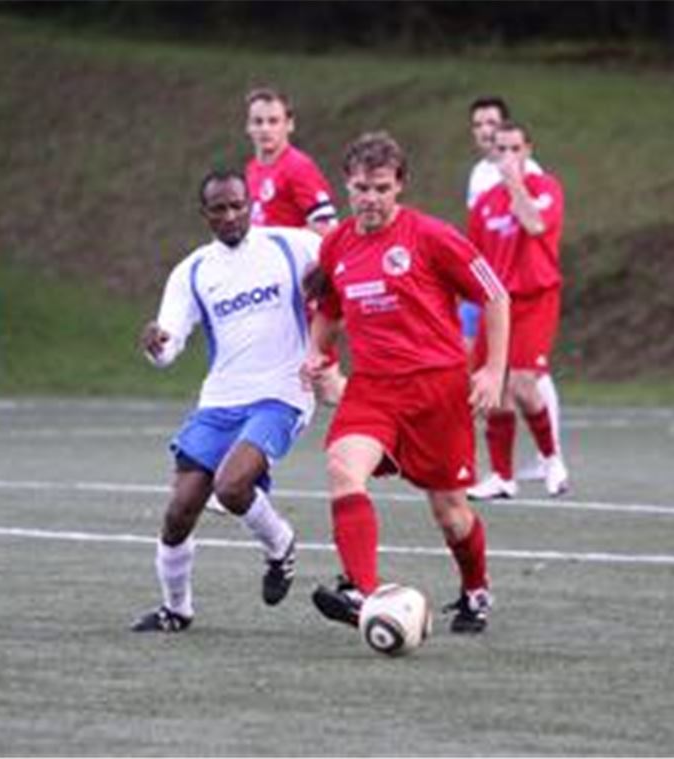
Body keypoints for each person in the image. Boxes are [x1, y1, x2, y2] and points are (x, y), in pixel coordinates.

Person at [301, 131, 510, 634]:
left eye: (380, 188)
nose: (369, 198)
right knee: (342, 467)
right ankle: (364, 593)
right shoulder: (337, 245)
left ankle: (476, 590)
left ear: (399, 187)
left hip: (436, 390)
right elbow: (329, 311)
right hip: (373, 388)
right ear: (346, 187)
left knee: (450, 513)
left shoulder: (432, 236)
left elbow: (496, 295)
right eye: (360, 188)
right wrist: (316, 353)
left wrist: (492, 369)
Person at [131, 168, 322, 633]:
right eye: (220, 208)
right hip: (221, 400)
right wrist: (158, 344)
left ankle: (280, 545)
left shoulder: (291, 245)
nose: (232, 215)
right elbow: (170, 342)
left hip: (281, 393)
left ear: (251, 203)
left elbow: (342, 257)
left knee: (232, 486)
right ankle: (177, 610)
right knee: (179, 512)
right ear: (206, 215)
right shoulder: (192, 271)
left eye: (239, 205)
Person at [466, 120, 570, 499]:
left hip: (535, 297)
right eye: (500, 149)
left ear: (528, 150)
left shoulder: (546, 188)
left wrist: (514, 183)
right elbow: (473, 257)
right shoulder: (483, 204)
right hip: (497, 304)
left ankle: (552, 458)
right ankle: (502, 476)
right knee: (494, 389)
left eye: (514, 149)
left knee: (524, 382)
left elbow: (535, 224)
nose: (507, 156)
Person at [244, 86, 346, 404]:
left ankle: (387, 420)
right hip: (271, 288)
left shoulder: (297, 167)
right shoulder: (253, 169)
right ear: (247, 127)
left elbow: (328, 227)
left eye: (273, 121)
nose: (265, 129)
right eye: (258, 121)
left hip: (300, 288)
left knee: (326, 383)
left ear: (290, 124)